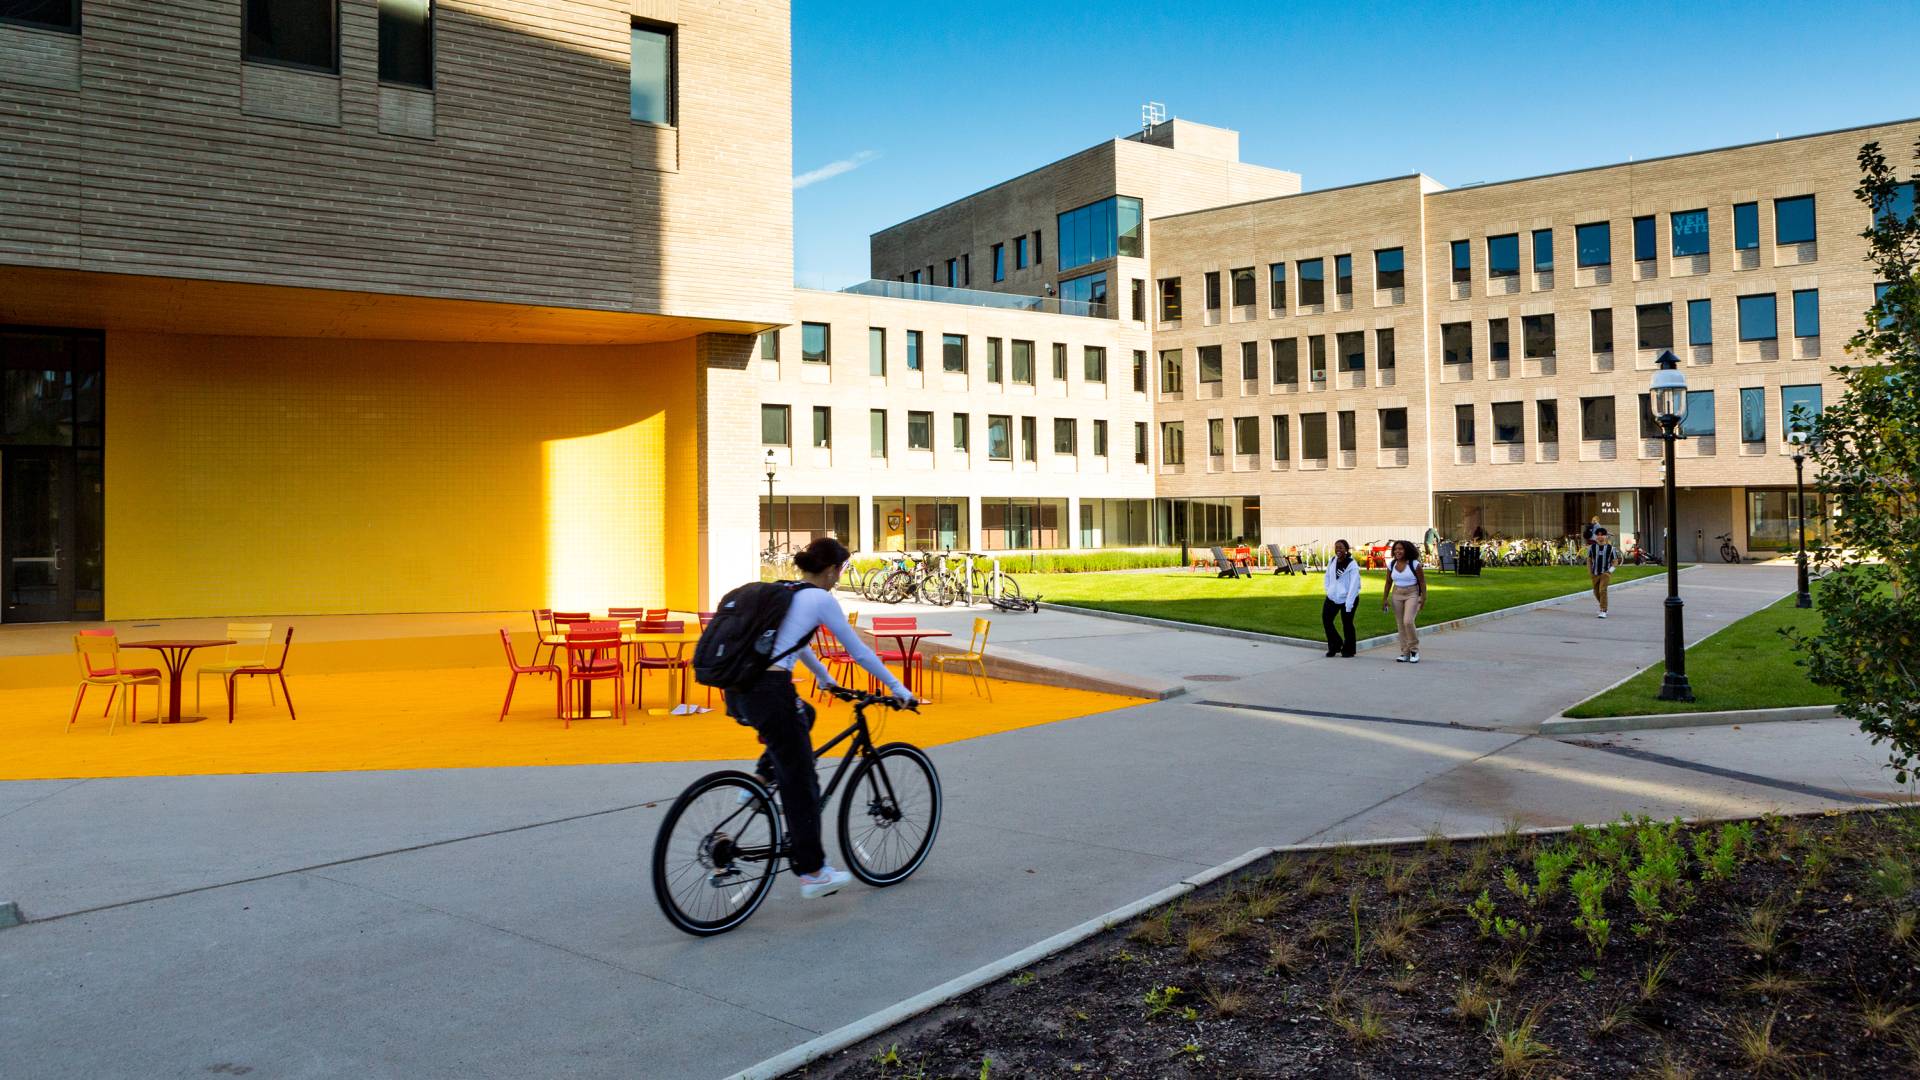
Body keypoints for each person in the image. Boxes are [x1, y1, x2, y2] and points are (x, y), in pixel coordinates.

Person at [726, 537, 916, 900]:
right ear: (830, 569)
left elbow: (794, 645)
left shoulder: (787, 590)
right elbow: (858, 652)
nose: (839, 577)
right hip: (771, 691)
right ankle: (814, 873)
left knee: (805, 716)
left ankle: (757, 784)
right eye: (841, 570)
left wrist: (825, 679)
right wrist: (898, 689)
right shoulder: (821, 599)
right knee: (802, 782)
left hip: (740, 690)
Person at [1380, 539, 1427, 663]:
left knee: (1408, 621)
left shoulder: (1414, 564)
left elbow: (1422, 582)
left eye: (1400, 549)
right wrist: (1385, 598)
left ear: (1407, 550)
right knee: (1400, 624)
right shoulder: (1391, 564)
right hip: (1397, 594)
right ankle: (1405, 652)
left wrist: (1423, 597)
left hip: (1412, 593)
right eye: (1395, 549)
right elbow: (1388, 582)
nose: (1397, 551)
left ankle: (1414, 650)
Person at [1322, 539, 1362, 658]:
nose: (1338, 550)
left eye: (1340, 548)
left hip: (1348, 598)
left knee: (1347, 624)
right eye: (1336, 547)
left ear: (1346, 550)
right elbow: (1327, 576)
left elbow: (1354, 585)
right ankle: (1335, 645)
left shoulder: (1352, 564)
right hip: (1332, 597)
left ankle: (1349, 650)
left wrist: (1349, 603)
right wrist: (1329, 590)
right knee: (1326, 620)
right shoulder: (1332, 560)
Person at [1588, 526, 1618, 619]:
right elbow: (1589, 560)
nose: (1600, 536)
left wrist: (1609, 572)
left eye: (1602, 535)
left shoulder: (1611, 548)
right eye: (1598, 535)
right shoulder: (1592, 547)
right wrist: (1590, 572)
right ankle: (1603, 606)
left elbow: (1615, 562)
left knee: (1602, 590)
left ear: (1606, 536)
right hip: (1595, 573)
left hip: (1605, 573)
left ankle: (1603, 610)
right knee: (1596, 592)